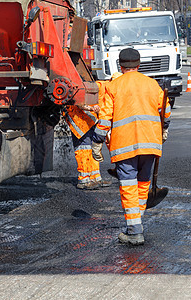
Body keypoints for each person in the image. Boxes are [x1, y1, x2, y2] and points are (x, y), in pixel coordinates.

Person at [92, 48, 171, 245]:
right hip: (151, 143)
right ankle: (137, 223)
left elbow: (105, 119)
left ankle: (135, 231)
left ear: (120, 65)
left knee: (128, 186)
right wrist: (165, 129)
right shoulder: (152, 84)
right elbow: (166, 111)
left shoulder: (114, 86)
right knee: (143, 183)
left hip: (125, 145)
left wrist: (96, 142)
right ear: (139, 64)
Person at [63, 105, 111, 190]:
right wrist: (89, 107)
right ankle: (84, 180)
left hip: (88, 117)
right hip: (77, 116)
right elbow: (76, 100)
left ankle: (95, 178)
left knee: (91, 147)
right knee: (83, 148)